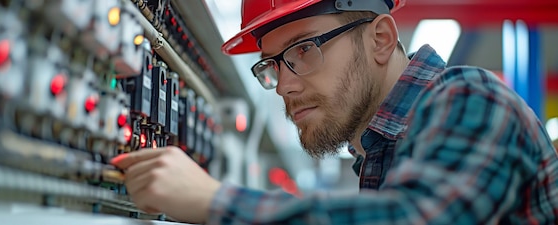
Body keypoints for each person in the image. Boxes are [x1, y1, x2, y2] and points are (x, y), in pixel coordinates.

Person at [111, 0, 558, 224]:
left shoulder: (473, 98)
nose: (283, 84)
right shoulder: (376, 158)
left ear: (381, 39)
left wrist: (211, 200)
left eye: (303, 49)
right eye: (270, 65)